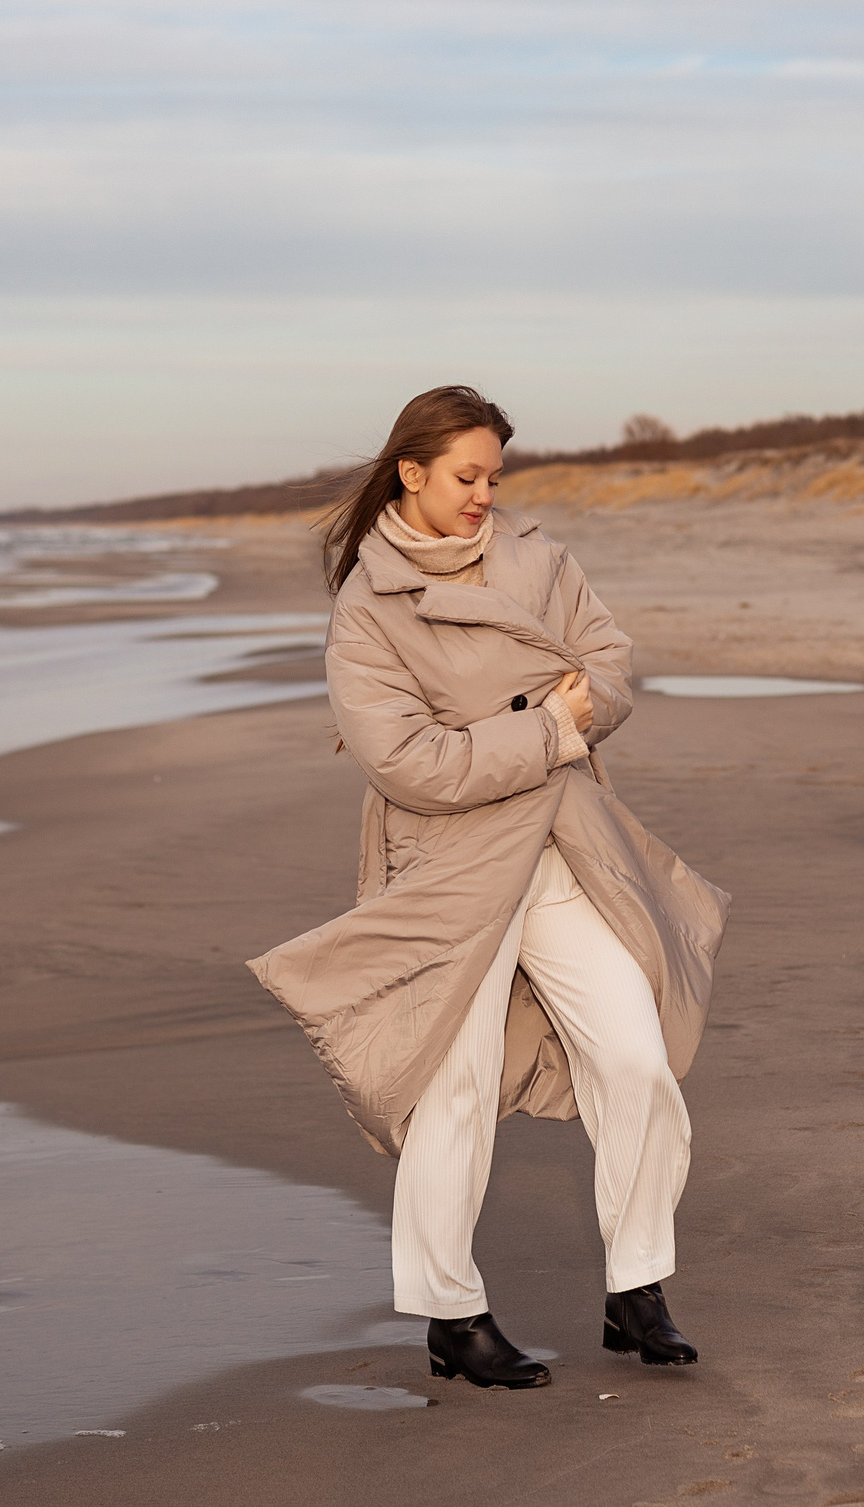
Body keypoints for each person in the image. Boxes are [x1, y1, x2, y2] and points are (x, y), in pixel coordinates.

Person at [247, 385, 731, 1391]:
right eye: (466, 477)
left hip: (558, 842)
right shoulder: (365, 611)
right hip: (449, 868)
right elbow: (411, 765)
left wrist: (563, 718)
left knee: (635, 1055)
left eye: (494, 478)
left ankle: (635, 1289)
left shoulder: (539, 561)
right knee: (452, 1088)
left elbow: (611, 668)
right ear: (410, 471)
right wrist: (548, 731)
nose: (484, 496)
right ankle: (450, 1313)